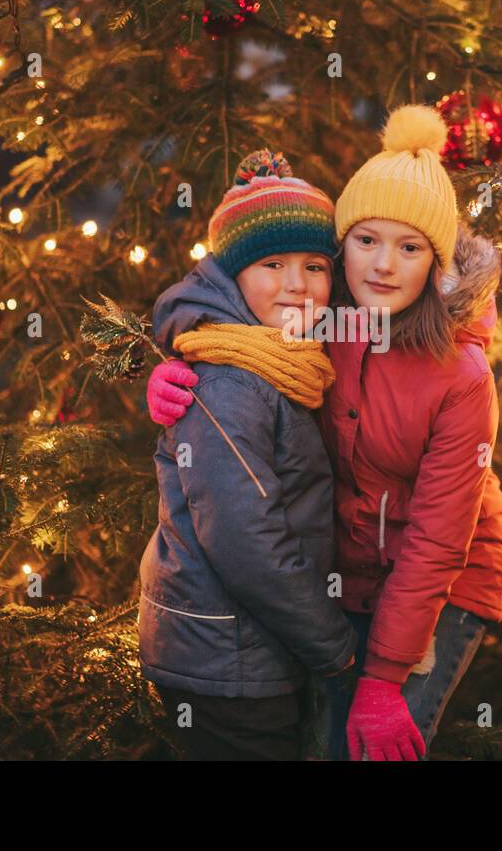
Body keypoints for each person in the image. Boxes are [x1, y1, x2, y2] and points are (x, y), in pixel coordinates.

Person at [147, 107, 502, 761]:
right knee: (319, 743)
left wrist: (381, 679)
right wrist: (179, 363)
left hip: (440, 581)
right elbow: (221, 304)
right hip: (347, 576)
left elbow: (436, 539)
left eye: (410, 247)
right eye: (366, 240)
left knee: (370, 744)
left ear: (436, 262)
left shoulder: (461, 373)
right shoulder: (323, 308)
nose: (382, 265)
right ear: (341, 244)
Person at [138, 149, 357, 761]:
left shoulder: (285, 359)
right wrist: (333, 647)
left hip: (243, 648)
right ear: (230, 275)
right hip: (228, 659)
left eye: (315, 266)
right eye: (272, 263)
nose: (297, 284)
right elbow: (244, 537)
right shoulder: (232, 376)